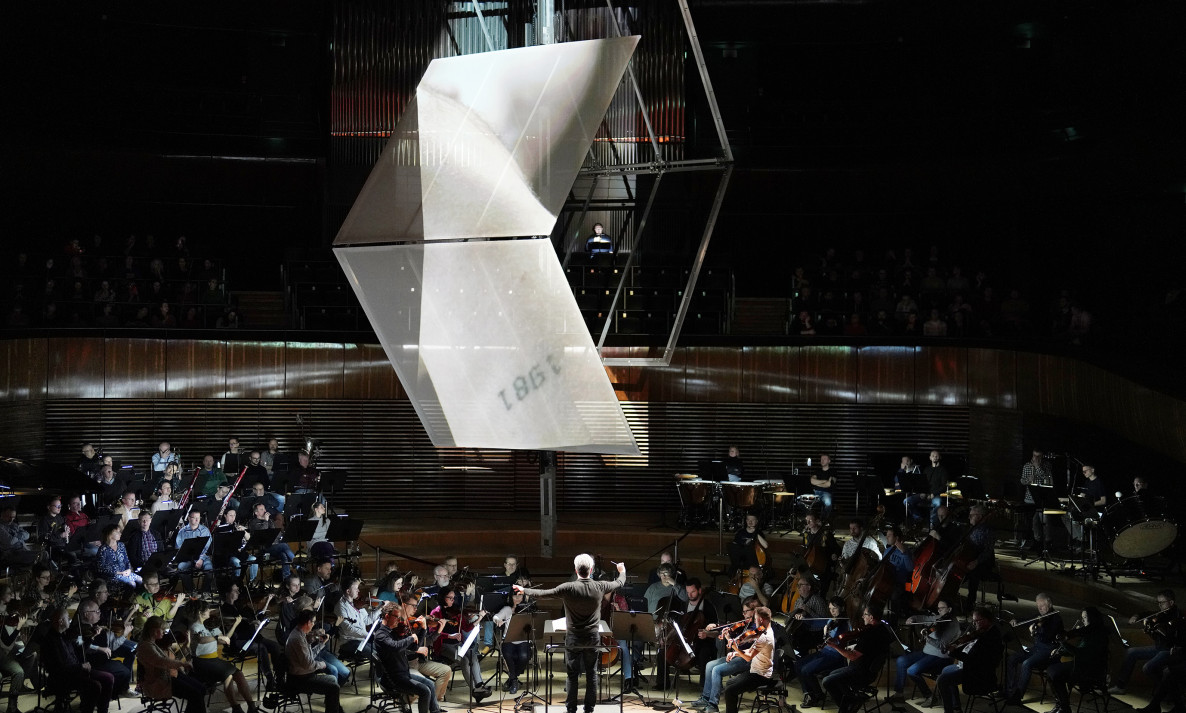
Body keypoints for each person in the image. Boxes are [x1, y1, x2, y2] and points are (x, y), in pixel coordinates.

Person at [516, 554, 627, 713]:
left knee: (572, 675)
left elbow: (543, 593)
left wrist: (524, 589)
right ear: (591, 570)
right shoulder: (600, 586)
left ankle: (571, 709)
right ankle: (589, 709)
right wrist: (622, 571)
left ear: (576, 570)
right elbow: (620, 582)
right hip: (592, 637)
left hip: (573, 637)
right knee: (591, 674)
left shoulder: (568, 587)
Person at [186, 600, 258, 713]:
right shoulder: (195, 627)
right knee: (228, 675)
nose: (210, 611)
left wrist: (235, 625)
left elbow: (224, 640)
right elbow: (201, 639)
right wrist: (216, 638)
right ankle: (236, 708)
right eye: (207, 609)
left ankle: (251, 706)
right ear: (200, 612)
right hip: (201, 662)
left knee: (239, 674)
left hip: (214, 660)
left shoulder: (210, 624)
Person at [821, 605, 893, 713]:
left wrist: (835, 646)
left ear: (871, 617)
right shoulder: (883, 630)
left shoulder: (868, 635)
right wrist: (854, 647)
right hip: (870, 672)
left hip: (860, 672)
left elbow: (852, 656)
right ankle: (851, 700)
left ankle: (849, 705)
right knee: (832, 675)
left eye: (865, 614)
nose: (863, 617)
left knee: (827, 681)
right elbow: (871, 649)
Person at [42, 607, 114, 713]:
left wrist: (91, 637)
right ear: (61, 621)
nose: (70, 620)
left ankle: (103, 711)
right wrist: (81, 666)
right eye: (67, 618)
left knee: (108, 677)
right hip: (63, 677)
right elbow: (60, 668)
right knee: (95, 686)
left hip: (76, 671)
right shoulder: (51, 641)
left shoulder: (65, 635)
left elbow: (80, 651)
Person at [1109, 589, 1182, 694]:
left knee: (1148, 667)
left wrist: (1155, 631)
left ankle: (1166, 689)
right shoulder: (1162, 614)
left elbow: (1172, 639)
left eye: (1162, 602)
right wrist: (1137, 616)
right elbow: (1148, 614)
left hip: (1169, 650)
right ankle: (1120, 686)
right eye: (1158, 602)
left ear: (1171, 602)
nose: (1160, 605)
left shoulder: (1177, 617)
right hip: (1159, 648)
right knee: (1131, 652)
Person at [373, 603, 441, 713]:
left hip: (404, 674)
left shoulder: (395, 632)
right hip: (393, 679)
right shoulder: (381, 635)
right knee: (425, 691)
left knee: (431, 684)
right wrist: (410, 638)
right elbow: (395, 647)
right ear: (387, 616)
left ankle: (435, 711)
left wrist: (423, 629)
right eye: (396, 617)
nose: (399, 620)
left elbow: (414, 647)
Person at [934, 606, 1004, 713]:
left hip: (979, 674)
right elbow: (970, 649)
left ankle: (948, 711)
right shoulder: (982, 631)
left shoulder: (991, 637)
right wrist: (956, 645)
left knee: (942, 680)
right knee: (945, 670)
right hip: (971, 667)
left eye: (977, 621)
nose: (974, 624)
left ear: (986, 620)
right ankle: (956, 706)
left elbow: (973, 660)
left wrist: (954, 652)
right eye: (973, 621)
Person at [891, 600, 959, 702]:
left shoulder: (952, 625)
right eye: (938, 608)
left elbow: (941, 645)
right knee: (901, 660)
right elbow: (925, 618)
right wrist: (912, 618)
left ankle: (929, 696)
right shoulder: (940, 618)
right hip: (927, 653)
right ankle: (899, 694)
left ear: (949, 609)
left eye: (942, 608)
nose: (939, 610)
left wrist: (927, 637)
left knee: (912, 671)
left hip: (939, 656)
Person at [429, 588, 489, 701]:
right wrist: (449, 636)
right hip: (443, 646)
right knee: (464, 660)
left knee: (473, 656)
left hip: (457, 644)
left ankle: (479, 685)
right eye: (450, 598)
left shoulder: (455, 612)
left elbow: (466, 628)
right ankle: (474, 690)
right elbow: (433, 634)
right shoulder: (436, 613)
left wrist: (479, 618)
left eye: (454, 598)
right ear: (443, 598)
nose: (453, 600)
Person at [1004, 593, 1064, 703]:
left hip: (1049, 652)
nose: (1039, 608)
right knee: (1012, 658)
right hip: (1036, 649)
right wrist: (1016, 620)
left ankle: (1018, 695)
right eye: (1038, 606)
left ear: (1049, 604)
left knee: (1027, 663)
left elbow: (1047, 637)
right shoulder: (1040, 617)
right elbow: (1028, 619)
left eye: (1042, 605)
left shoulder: (1056, 619)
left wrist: (1036, 631)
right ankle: (1009, 690)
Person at [137, 615, 206, 713]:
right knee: (195, 694)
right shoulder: (145, 646)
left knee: (201, 689)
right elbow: (161, 661)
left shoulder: (152, 643)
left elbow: (169, 659)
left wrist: (185, 647)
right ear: (154, 630)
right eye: (162, 630)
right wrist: (182, 664)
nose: (164, 632)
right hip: (159, 683)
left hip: (168, 677)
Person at [1048, 608, 1109, 713]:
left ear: (1093, 618)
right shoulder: (1090, 632)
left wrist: (1063, 643)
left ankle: (1064, 707)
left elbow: (1079, 653)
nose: (1083, 620)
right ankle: (1061, 705)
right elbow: (1079, 650)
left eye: (1085, 617)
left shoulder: (1097, 635)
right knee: (1051, 671)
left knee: (1054, 672)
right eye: (1082, 618)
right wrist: (1061, 651)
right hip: (1083, 664)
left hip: (1090, 670)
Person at [793, 597, 850, 708]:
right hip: (825, 652)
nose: (832, 611)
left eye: (835, 608)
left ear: (842, 608)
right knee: (798, 664)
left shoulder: (846, 623)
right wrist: (803, 618)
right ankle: (809, 693)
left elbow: (843, 640)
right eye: (830, 608)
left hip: (836, 655)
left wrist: (829, 633)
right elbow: (816, 623)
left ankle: (817, 695)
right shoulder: (831, 621)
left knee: (806, 670)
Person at [720, 606, 777, 713]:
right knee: (729, 683)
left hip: (761, 675)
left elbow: (748, 657)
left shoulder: (765, 637)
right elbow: (751, 651)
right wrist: (735, 653)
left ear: (760, 619)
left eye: (755, 619)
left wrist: (733, 646)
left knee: (730, 691)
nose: (754, 622)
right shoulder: (765, 631)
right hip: (755, 671)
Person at [285, 610, 342, 713]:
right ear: (308, 622)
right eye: (313, 622)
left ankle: (335, 709)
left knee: (333, 678)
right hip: (300, 679)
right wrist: (322, 664)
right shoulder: (297, 639)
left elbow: (310, 657)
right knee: (334, 687)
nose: (314, 625)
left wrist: (321, 644)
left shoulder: (300, 633)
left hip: (304, 674)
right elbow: (308, 665)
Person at [76, 598, 133, 697]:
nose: (99, 613)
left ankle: (112, 694)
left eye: (99, 611)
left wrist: (123, 635)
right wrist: (98, 647)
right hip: (92, 663)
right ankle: (110, 694)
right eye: (96, 611)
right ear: (86, 614)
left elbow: (111, 647)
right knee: (124, 671)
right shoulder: (79, 629)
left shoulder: (97, 627)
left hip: (103, 661)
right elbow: (80, 645)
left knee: (124, 668)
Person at [494, 589, 533, 694]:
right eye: (515, 596)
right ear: (511, 597)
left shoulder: (527, 609)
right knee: (507, 654)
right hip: (509, 639)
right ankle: (514, 681)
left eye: (520, 596)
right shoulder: (507, 609)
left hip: (523, 640)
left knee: (524, 656)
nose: (517, 598)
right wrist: (498, 620)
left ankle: (512, 678)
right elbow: (496, 616)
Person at [337, 578, 383, 659]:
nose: (358, 591)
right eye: (356, 588)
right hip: (349, 642)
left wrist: (380, 609)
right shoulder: (341, 606)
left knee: (382, 650)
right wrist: (367, 634)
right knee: (375, 656)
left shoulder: (357, 604)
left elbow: (367, 620)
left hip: (361, 639)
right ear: (348, 591)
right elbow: (348, 628)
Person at [1020, 449, 1055, 550]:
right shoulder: (1027, 465)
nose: (1036, 458)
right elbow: (1022, 480)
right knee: (1034, 522)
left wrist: (1037, 466)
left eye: (1038, 456)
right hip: (1030, 498)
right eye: (1034, 455)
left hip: (1042, 498)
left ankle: (1048, 541)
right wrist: (1028, 480)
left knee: (1045, 520)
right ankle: (1037, 541)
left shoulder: (1046, 465)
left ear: (1042, 456)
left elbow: (1045, 476)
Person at [962, 505, 995, 609]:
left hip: (983, 562)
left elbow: (987, 551)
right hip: (971, 558)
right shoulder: (971, 528)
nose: (969, 517)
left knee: (973, 573)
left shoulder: (988, 531)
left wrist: (976, 562)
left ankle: (970, 602)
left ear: (980, 516)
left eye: (971, 515)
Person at [174, 510, 214, 592]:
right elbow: (179, 549)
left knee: (209, 570)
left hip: (202, 557)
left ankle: (205, 592)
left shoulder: (205, 530)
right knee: (181, 568)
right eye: (194, 518)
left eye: (198, 518)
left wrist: (201, 559)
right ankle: (192, 591)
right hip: (187, 558)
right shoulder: (182, 532)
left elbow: (207, 548)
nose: (196, 520)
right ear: (189, 518)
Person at [96, 524, 141, 589]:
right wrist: (119, 573)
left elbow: (126, 560)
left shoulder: (121, 545)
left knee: (140, 580)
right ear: (110, 534)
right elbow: (101, 568)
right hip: (113, 576)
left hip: (125, 573)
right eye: (117, 532)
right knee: (131, 584)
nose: (120, 534)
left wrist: (128, 569)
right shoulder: (103, 549)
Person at [810, 454, 836, 523]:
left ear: (829, 461)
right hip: (815, 492)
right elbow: (812, 481)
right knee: (800, 501)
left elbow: (829, 484)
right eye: (821, 459)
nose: (822, 460)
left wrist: (817, 483)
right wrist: (824, 481)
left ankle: (822, 521)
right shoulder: (817, 471)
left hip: (826, 493)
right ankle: (810, 521)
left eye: (824, 459)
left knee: (828, 503)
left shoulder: (833, 471)